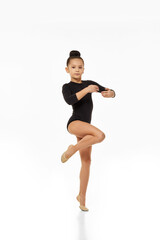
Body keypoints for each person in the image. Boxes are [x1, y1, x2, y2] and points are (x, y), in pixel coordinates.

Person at [61, 50, 116, 211]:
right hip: (75, 124)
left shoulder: (89, 83)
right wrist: (87, 90)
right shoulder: (67, 86)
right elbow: (69, 100)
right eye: (73, 67)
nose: (77, 70)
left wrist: (111, 93)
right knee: (100, 135)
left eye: (80, 67)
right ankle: (71, 149)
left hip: (85, 128)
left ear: (84, 69)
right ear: (67, 70)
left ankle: (81, 197)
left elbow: (107, 90)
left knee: (86, 161)